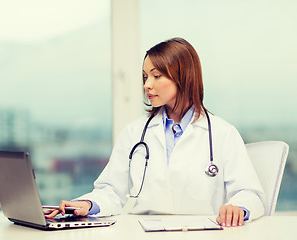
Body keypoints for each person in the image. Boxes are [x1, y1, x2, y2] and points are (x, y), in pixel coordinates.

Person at [45, 37, 265, 227]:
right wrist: (87, 204)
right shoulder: (134, 133)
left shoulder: (222, 133)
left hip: (202, 233)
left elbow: (250, 193)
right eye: (144, 77)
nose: (147, 85)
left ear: (184, 76)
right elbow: (111, 190)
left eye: (156, 76)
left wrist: (239, 208)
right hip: (142, 232)